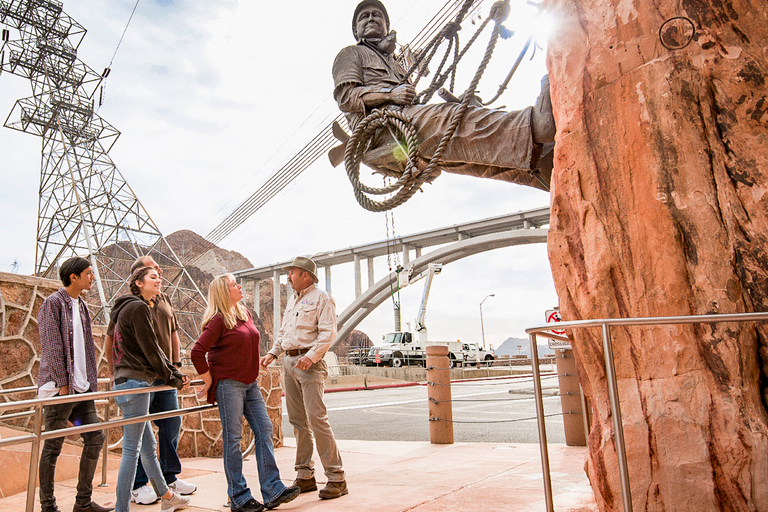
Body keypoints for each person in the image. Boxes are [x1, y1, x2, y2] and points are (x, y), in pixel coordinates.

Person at [332, 0, 556, 191]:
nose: (371, 19)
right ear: (356, 30)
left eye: (376, 15)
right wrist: (391, 93)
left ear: (386, 25)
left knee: (461, 150)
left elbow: (410, 103)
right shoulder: (350, 54)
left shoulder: (396, 63)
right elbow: (347, 98)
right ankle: (536, 125)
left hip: (403, 125)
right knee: (449, 119)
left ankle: (540, 163)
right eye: (364, 17)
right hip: (382, 131)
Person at [191, 274, 300, 512]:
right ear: (223, 292)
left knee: (265, 429)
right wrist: (209, 380)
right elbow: (197, 352)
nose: (239, 286)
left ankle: (272, 490)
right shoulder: (219, 319)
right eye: (233, 284)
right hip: (229, 384)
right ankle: (239, 497)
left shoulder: (244, 314)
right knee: (233, 441)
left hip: (250, 384)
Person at [105, 256, 196, 505]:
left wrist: (173, 372)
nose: (159, 278)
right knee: (131, 451)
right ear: (138, 282)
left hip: (129, 382)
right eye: (153, 276)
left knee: (147, 449)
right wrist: (174, 377)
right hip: (136, 384)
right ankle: (122, 507)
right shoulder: (139, 308)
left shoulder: (128, 306)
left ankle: (167, 496)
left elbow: (153, 347)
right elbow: (152, 350)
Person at [260, 257, 347, 500]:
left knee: (317, 419)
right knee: (298, 422)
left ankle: (337, 477)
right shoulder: (293, 301)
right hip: (289, 362)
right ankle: (305, 474)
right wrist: (272, 353)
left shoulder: (322, 298)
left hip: (309, 365)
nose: (289, 277)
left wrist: (311, 356)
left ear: (306, 275)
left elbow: (328, 332)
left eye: (293, 273)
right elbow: (283, 333)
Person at [37, 256, 114, 512]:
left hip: (82, 388)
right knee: (53, 446)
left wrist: (89, 384)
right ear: (74, 276)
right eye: (89, 273)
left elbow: (85, 350)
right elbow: (51, 345)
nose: (92, 277)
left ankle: (82, 503)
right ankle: (48, 506)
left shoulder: (82, 306)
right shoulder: (53, 303)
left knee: (95, 438)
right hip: (61, 389)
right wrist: (62, 384)